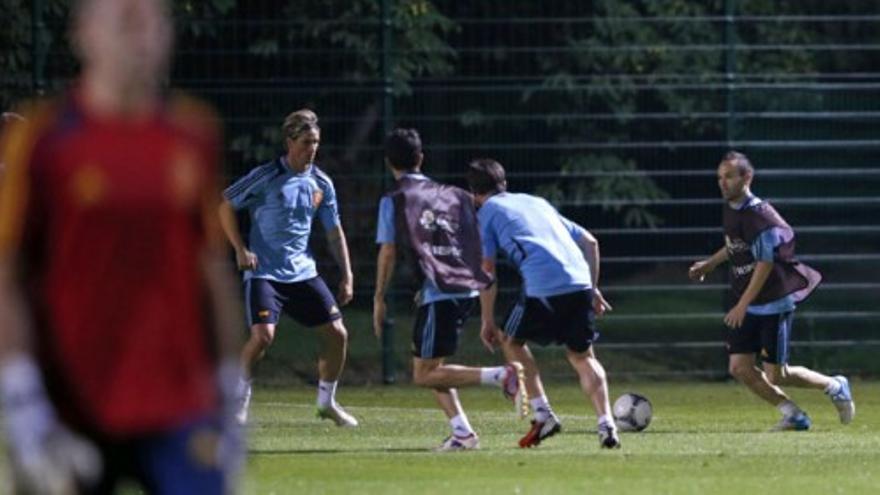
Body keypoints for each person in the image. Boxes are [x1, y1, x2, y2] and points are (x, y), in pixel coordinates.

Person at [0, 0, 244, 493]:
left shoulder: (192, 134)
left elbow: (209, 266)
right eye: (126, 21)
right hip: (73, 400)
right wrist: (21, 392)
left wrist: (228, 383)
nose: (143, 35)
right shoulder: (45, 139)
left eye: (154, 21)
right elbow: (10, 274)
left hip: (179, 400)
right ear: (84, 34)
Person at [372, 129, 527, 452]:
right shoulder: (455, 195)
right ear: (421, 158)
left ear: (389, 162)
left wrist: (378, 297)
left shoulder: (394, 199)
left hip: (442, 293)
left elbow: (388, 251)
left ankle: (500, 376)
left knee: (424, 374)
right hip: (462, 289)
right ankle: (463, 434)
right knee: (434, 368)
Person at [689, 151, 854, 431]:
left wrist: (742, 304)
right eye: (720, 177)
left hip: (772, 302)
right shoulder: (732, 208)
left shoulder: (759, 217)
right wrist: (710, 264)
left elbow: (765, 264)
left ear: (747, 177)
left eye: (729, 176)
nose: (723, 183)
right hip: (748, 299)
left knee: (777, 374)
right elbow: (736, 245)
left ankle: (835, 385)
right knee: (739, 367)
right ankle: (794, 415)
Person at [467, 158, 620, 449]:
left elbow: (487, 270)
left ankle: (543, 414)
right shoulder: (536, 202)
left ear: (474, 194)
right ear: (505, 184)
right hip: (579, 282)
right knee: (583, 357)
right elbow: (590, 242)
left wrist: (486, 319)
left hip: (542, 287)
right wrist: (593, 289)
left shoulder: (485, 213)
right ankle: (607, 425)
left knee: (511, 341)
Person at [218, 108, 357, 427]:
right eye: (307, 141)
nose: (313, 148)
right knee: (263, 337)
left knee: (338, 333)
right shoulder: (266, 176)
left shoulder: (321, 182)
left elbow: (334, 232)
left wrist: (347, 274)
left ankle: (327, 402)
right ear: (290, 142)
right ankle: (239, 400)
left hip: (303, 273)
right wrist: (240, 248)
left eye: (317, 142)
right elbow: (224, 206)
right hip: (264, 273)